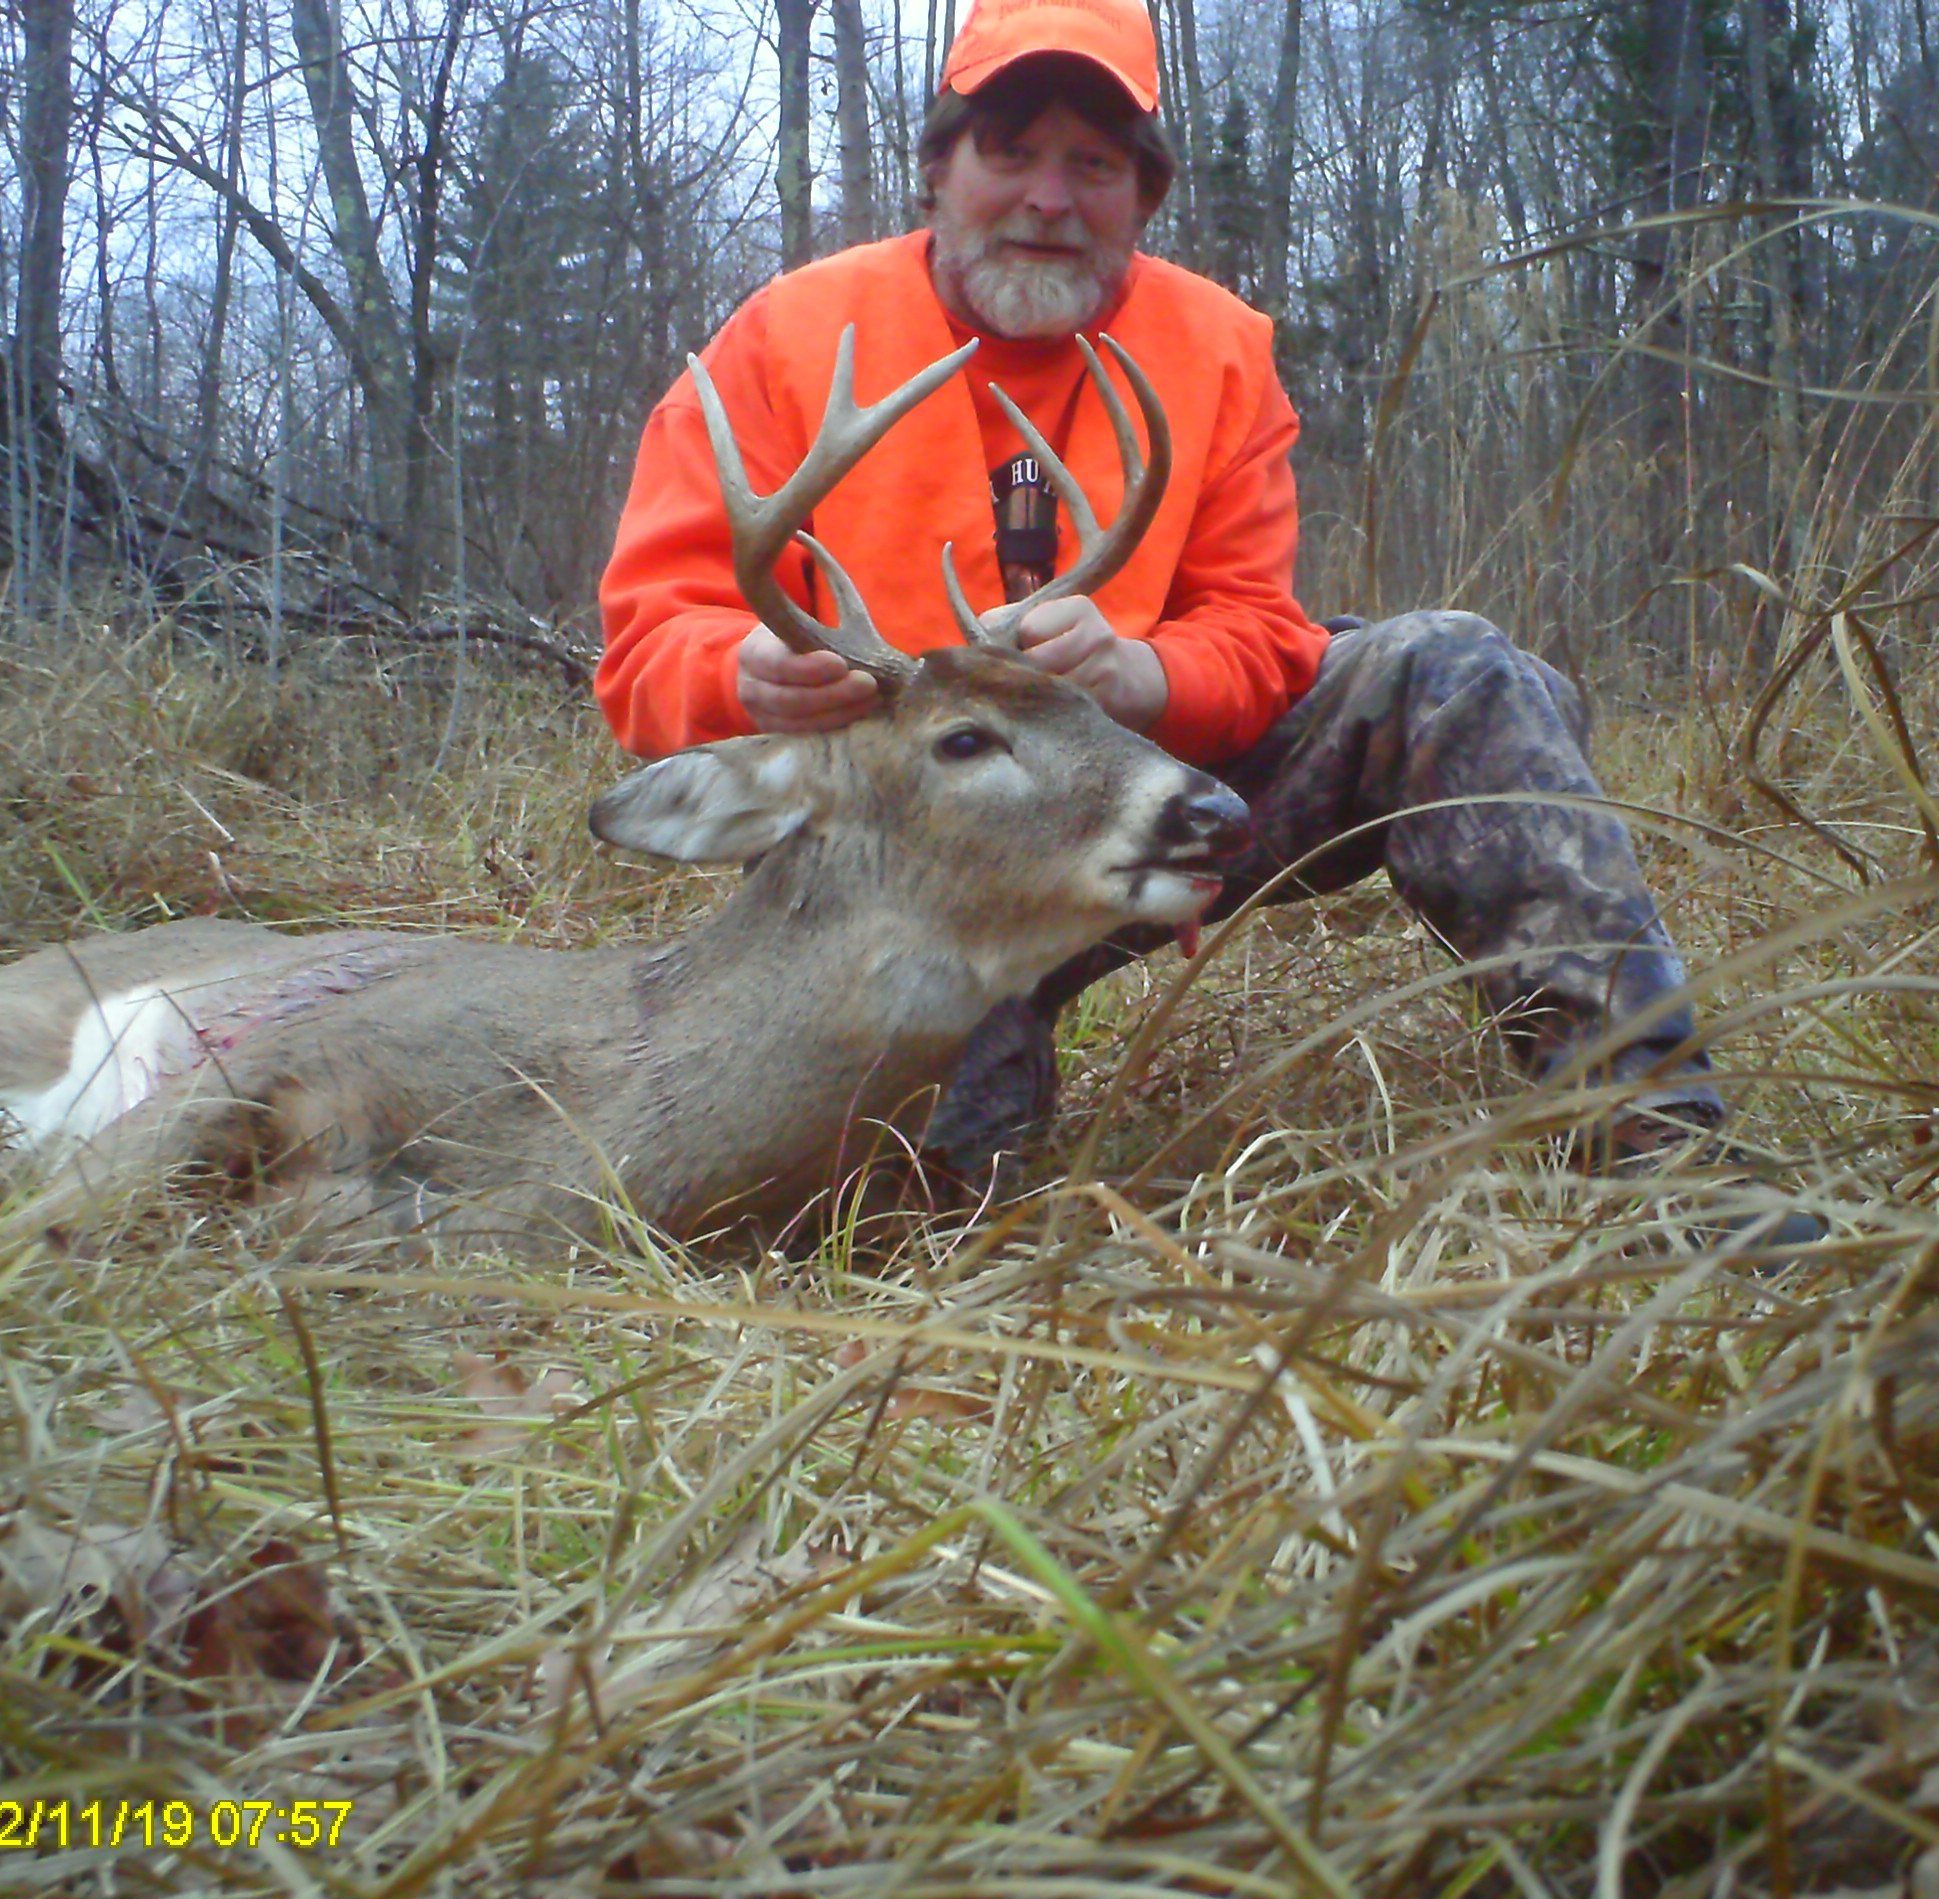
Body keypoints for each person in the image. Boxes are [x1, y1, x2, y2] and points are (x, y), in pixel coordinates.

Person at [596, 0, 1809, 1235]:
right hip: (919, 860)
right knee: (936, 1221)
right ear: (938, 168)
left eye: (1095, 164)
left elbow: (1261, 631)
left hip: (1157, 796)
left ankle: (1664, 1157)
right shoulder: (787, 339)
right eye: (1010, 151)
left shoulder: (1216, 350)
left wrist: (1141, 674)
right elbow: (646, 646)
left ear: (1144, 192)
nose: (1049, 199)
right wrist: (741, 675)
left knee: (1456, 670)